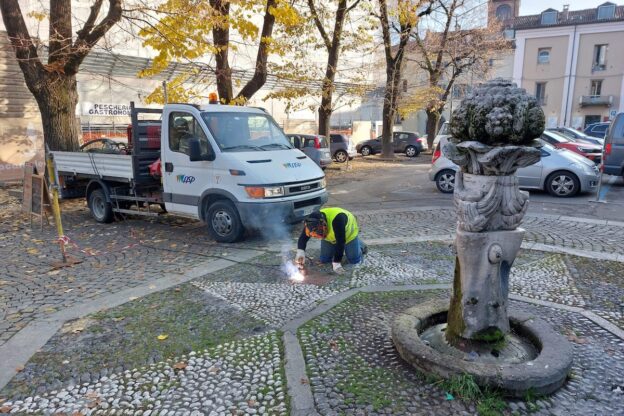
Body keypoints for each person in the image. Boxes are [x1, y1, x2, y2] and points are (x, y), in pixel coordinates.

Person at [295, 207, 367, 274]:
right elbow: (303, 238)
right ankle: (347, 245)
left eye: (317, 232)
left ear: (323, 223)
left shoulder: (338, 220)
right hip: (330, 237)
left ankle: (360, 245)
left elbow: (341, 242)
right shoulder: (310, 223)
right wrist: (300, 252)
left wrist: (336, 262)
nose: (316, 236)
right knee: (325, 260)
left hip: (348, 236)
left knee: (353, 260)